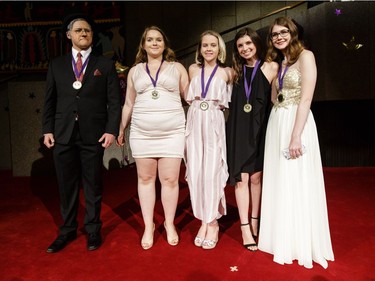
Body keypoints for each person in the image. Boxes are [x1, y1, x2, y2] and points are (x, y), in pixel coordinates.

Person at [258, 17, 334, 268]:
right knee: (280, 179)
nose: (278, 37)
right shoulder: (281, 63)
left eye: (283, 32)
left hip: (296, 123)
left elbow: (306, 98)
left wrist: (295, 135)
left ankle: (299, 241)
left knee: (297, 178)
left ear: (293, 33)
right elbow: (272, 97)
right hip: (277, 121)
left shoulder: (306, 56)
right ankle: (281, 236)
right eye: (274, 35)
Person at [42, 13, 121, 253]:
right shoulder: (56, 64)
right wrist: (47, 129)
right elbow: (50, 100)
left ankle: (93, 230)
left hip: (93, 134)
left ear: (92, 35)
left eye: (87, 30)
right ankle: (66, 231)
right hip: (63, 133)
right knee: (66, 186)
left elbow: (114, 102)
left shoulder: (105, 64)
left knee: (93, 184)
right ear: (69, 35)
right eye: (78, 30)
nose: (83, 33)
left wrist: (111, 130)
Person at [117, 26, 189, 250]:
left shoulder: (177, 68)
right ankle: (148, 226)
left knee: (169, 180)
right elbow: (128, 103)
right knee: (146, 180)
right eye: (150, 40)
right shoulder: (134, 71)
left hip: (172, 132)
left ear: (165, 44)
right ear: (144, 44)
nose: (155, 43)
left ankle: (169, 224)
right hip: (142, 132)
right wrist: (121, 128)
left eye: (159, 39)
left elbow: (190, 97)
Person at [226, 27, 278, 251]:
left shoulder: (271, 67)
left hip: (262, 129)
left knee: (256, 178)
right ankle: (245, 227)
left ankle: (256, 220)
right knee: (241, 179)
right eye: (240, 45)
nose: (245, 48)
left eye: (249, 43)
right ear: (236, 50)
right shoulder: (233, 72)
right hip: (238, 129)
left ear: (256, 43)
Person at [184, 30, 233, 250]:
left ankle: (212, 222)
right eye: (205, 45)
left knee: (212, 172)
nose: (209, 49)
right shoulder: (193, 69)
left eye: (213, 45)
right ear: (200, 48)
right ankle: (203, 220)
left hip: (214, 121)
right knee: (195, 171)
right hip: (194, 120)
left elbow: (230, 103)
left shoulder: (228, 72)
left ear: (220, 48)